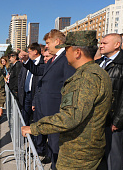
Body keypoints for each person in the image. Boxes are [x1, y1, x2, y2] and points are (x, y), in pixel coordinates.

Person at [21, 30, 113, 170]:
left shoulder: (85, 78)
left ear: (77, 52)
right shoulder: (97, 72)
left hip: (77, 153)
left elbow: (70, 117)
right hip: (86, 148)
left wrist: (34, 128)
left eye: (67, 49)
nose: (65, 52)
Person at [19, 29, 75, 168]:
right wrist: (26, 60)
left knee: (56, 146)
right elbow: (39, 71)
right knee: (52, 144)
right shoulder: (53, 60)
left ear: (57, 42)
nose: (46, 46)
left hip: (57, 111)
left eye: (48, 43)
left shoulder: (67, 59)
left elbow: (69, 87)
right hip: (45, 109)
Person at [96, 33, 123, 170]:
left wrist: (118, 121)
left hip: (112, 121)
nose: (101, 45)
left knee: (113, 158)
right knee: (99, 157)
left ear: (117, 45)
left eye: (104, 43)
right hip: (96, 119)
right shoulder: (99, 63)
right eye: (101, 43)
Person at [18, 43, 44, 125]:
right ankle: (25, 137)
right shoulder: (27, 63)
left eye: (29, 52)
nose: (28, 53)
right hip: (26, 95)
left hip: (36, 96)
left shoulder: (44, 62)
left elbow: (37, 72)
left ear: (35, 51)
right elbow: (21, 77)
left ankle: (33, 137)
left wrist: (35, 100)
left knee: (36, 121)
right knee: (24, 119)